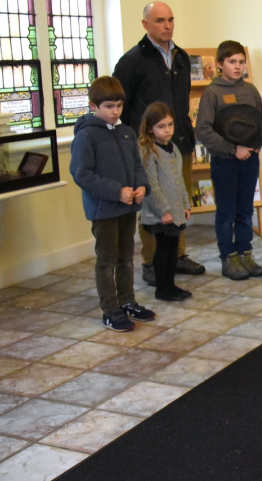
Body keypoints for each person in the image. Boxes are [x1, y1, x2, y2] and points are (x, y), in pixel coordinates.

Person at [113, 1, 206, 285]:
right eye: (160, 21)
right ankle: (152, 262)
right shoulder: (132, 61)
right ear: (145, 25)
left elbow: (182, 101)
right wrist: (133, 145)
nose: (167, 26)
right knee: (154, 205)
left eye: (170, 20)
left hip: (178, 142)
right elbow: (122, 106)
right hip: (148, 147)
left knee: (178, 198)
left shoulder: (181, 57)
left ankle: (176, 256)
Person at [69, 76, 155, 333]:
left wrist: (141, 187)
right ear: (93, 105)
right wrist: (116, 192)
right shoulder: (86, 136)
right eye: (109, 106)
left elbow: (138, 167)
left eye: (118, 105)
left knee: (126, 258)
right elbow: (82, 174)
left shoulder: (127, 132)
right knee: (106, 261)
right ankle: (110, 310)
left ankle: (127, 301)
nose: (115, 111)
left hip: (128, 208)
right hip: (104, 210)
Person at [196, 40, 262, 281]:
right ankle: (229, 258)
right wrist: (232, 148)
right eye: (232, 62)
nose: (237, 67)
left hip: (249, 160)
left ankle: (245, 253)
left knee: (245, 211)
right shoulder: (212, 93)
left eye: (241, 62)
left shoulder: (250, 90)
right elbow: (204, 130)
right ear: (219, 64)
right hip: (224, 161)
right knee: (227, 213)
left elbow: (260, 123)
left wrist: (255, 148)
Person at [138, 102, 195, 302]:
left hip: (176, 209)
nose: (167, 130)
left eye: (170, 125)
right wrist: (163, 210)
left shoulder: (174, 149)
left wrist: (185, 204)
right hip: (159, 212)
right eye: (161, 126)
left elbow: (179, 180)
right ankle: (162, 288)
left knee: (172, 250)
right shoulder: (148, 151)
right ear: (150, 128)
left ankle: (170, 285)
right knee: (162, 249)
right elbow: (151, 184)